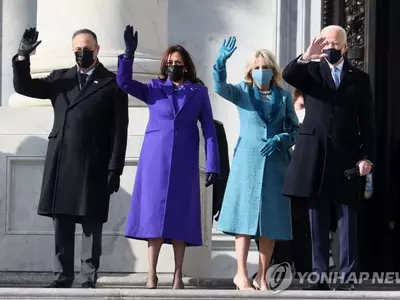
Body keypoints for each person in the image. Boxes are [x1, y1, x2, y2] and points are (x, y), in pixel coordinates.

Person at [12, 28, 129, 288]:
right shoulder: (60, 79)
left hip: (94, 163)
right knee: (62, 220)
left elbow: (119, 130)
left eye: (86, 48)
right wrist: (22, 57)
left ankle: (88, 277)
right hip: (63, 160)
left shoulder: (112, 83)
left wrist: (115, 168)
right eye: (77, 48)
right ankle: (63, 275)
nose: (81, 52)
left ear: (97, 49)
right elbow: (25, 87)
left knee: (91, 222)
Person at [117, 25, 220, 289]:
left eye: (179, 62)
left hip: (185, 160)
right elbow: (124, 83)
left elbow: (208, 128)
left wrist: (212, 164)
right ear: (165, 65)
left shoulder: (198, 92)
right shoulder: (153, 87)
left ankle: (177, 275)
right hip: (155, 160)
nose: (174, 65)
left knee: (180, 218)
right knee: (153, 217)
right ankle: (151, 274)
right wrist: (128, 54)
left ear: (186, 66)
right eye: (170, 62)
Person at [282, 25, 375, 291]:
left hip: (346, 158)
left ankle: (347, 277)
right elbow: (289, 75)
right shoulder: (311, 71)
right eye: (326, 45)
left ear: (345, 47)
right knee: (317, 219)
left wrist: (366, 156)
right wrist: (306, 55)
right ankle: (319, 276)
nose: (330, 49)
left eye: (335, 45)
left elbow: (367, 122)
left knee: (347, 221)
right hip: (315, 156)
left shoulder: (359, 78)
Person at [214, 37, 299, 291]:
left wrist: (281, 139)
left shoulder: (284, 98)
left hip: (275, 164)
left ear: (273, 70)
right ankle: (241, 274)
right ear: (250, 71)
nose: (261, 72)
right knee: (244, 218)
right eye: (257, 67)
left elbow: (295, 129)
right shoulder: (242, 91)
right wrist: (220, 62)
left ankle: (261, 276)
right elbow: (220, 87)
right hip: (247, 163)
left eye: (266, 67)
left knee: (270, 221)